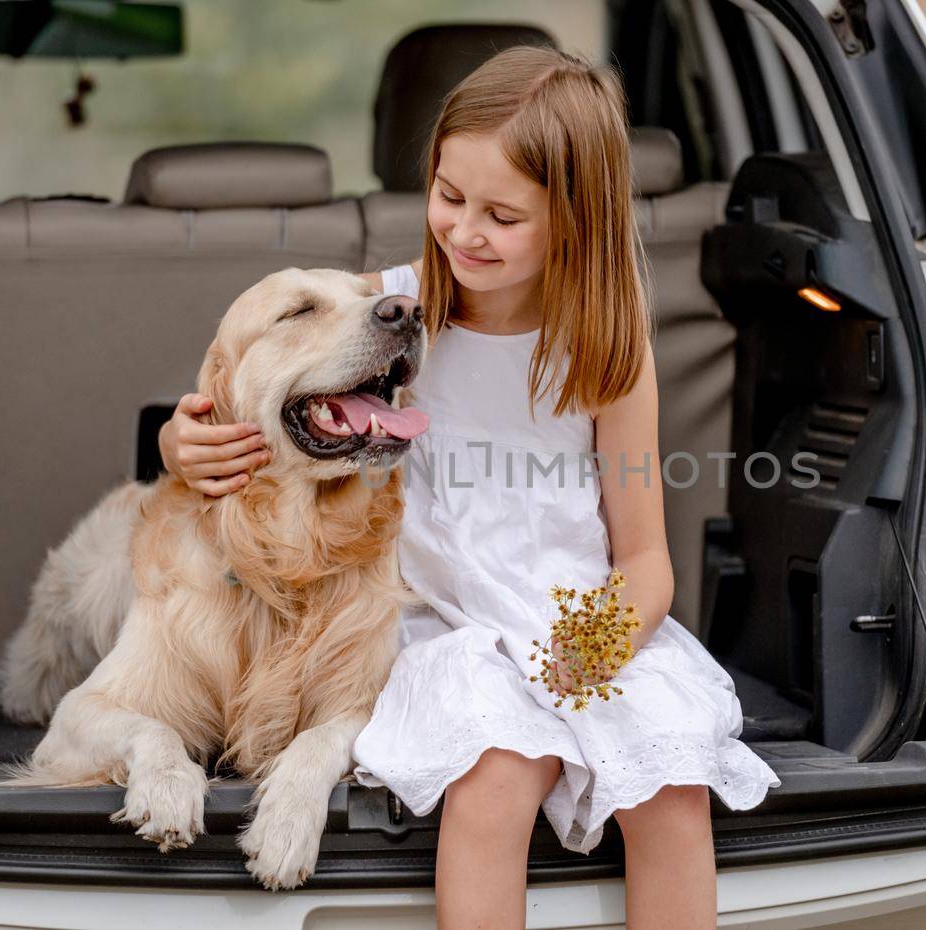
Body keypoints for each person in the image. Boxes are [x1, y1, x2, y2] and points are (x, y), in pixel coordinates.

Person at [157, 45, 778, 929]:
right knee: (492, 779)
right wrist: (181, 439)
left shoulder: (606, 353)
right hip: (440, 625)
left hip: (579, 626)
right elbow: (258, 370)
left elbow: (645, 561)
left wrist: (591, 652)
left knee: (672, 791)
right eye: (449, 198)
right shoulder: (394, 312)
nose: (464, 232)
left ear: (576, 219)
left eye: (502, 215)